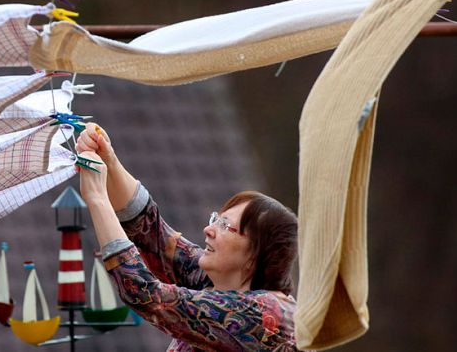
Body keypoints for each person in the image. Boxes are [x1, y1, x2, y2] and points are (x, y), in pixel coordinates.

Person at [76, 123, 299, 351]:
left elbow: (147, 295)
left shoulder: (266, 314)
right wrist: (109, 160)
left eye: (225, 226)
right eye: (216, 219)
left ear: (256, 253)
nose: (208, 229)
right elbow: (150, 232)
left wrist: (97, 197)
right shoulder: (216, 282)